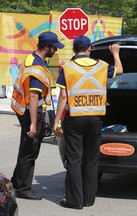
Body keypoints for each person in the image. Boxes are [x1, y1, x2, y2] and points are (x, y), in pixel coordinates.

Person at [53, 35, 123, 209]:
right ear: (90, 48)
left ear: (74, 50)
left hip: (75, 119)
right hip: (95, 118)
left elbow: (63, 96)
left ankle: (74, 201)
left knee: (74, 160)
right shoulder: (101, 66)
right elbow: (120, 70)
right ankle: (89, 199)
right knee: (91, 160)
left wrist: (56, 121)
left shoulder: (67, 67)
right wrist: (115, 53)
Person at [10, 31, 64, 200]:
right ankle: (23, 189)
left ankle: (16, 182)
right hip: (30, 111)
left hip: (22, 109)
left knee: (25, 148)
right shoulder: (36, 68)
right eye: (54, 47)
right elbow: (34, 96)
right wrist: (33, 123)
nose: (56, 50)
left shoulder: (32, 58)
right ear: (46, 47)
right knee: (30, 151)